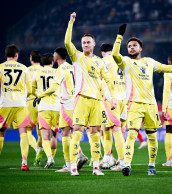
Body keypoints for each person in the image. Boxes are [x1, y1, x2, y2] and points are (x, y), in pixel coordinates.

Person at [112, 24, 172, 176]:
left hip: (151, 106)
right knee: (131, 134)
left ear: (141, 49)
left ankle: (151, 164)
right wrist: (120, 35)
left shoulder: (149, 62)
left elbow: (168, 68)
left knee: (152, 137)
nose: (131, 47)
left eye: (135, 45)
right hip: (134, 104)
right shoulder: (126, 62)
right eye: (129, 46)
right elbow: (114, 54)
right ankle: (127, 164)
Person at [65, 12, 117, 176]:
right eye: (83, 42)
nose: (85, 44)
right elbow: (67, 42)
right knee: (78, 131)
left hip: (97, 101)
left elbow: (109, 80)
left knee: (95, 134)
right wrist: (71, 23)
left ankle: (96, 167)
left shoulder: (100, 62)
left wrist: (113, 97)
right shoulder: (77, 57)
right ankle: (73, 167)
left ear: (94, 44)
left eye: (88, 42)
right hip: (81, 99)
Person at [34, 48, 89, 172]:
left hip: (67, 103)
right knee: (66, 133)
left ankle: (74, 160)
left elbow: (53, 87)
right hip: (75, 101)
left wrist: (41, 95)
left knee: (68, 133)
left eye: (54, 54)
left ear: (57, 56)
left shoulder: (60, 69)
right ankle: (72, 161)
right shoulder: (73, 67)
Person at [0, 44, 31, 171]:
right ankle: (24, 163)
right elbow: (30, 89)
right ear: (17, 55)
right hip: (21, 105)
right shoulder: (24, 68)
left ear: (6, 55)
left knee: (0, 133)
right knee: (23, 134)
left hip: (5, 104)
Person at [99, 43, 126, 170]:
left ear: (102, 52)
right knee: (106, 128)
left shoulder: (104, 61)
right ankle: (108, 157)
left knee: (114, 129)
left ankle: (122, 161)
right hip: (124, 98)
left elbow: (99, 79)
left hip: (111, 98)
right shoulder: (122, 58)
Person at [32, 53, 60, 168]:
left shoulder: (37, 72)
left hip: (43, 107)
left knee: (44, 137)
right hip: (57, 107)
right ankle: (51, 157)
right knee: (54, 136)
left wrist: (37, 95)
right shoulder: (57, 72)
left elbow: (31, 88)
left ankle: (50, 158)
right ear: (52, 62)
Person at [26, 50, 44, 166]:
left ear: (31, 59)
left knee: (27, 130)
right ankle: (40, 147)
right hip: (43, 101)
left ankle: (36, 148)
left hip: (30, 101)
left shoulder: (26, 70)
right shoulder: (44, 70)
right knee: (40, 129)